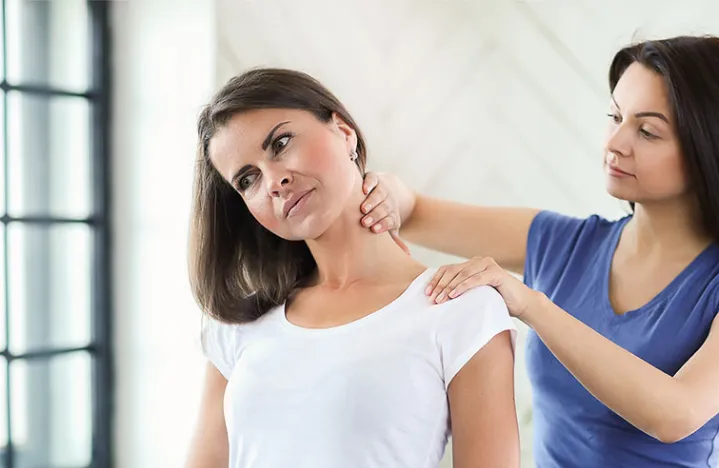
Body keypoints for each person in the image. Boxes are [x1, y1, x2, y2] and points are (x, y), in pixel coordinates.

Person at [358, 35, 719, 467]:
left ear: (711, 148)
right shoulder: (565, 245)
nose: (614, 143)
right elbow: (416, 212)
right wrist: (389, 194)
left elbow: (676, 414)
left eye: (647, 131)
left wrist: (533, 305)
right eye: (615, 117)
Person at [184, 68, 520, 468]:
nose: (273, 181)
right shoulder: (241, 322)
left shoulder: (460, 308)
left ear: (344, 132)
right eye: (247, 180)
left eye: (281, 143)